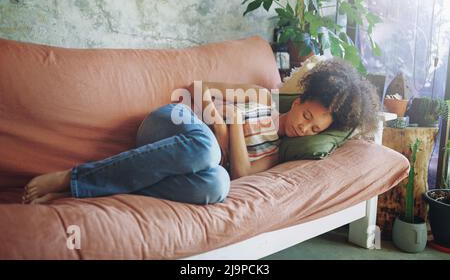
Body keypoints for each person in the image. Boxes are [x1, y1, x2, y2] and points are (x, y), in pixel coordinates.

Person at [22, 58, 380, 205]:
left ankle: (101, 186)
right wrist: (217, 123)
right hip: (171, 122)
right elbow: (199, 88)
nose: (304, 128)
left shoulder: (275, 154)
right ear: (300, 99)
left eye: (315, 128)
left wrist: (232, 126)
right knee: (205, 149)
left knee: (216, 186)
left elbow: (237, 172)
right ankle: (73, 178)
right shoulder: (258, 96)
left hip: (184, 160)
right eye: (307, 115)